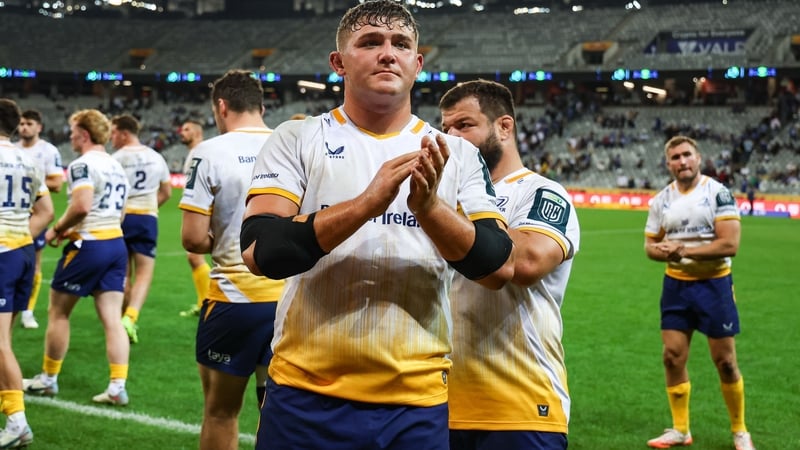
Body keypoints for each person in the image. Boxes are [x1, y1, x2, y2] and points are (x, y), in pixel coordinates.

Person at [241, 2, 515, 448]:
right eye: (370, 42)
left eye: (401, 44)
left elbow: (497, 266)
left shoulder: (455, 153)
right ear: (339, 62)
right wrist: (366, 204)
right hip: (305, 396)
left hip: (416, 402)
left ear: (417, 63)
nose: (388, 53)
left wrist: (430, 211)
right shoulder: (297, 138)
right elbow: (260, 251)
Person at [438, 80, 580, 450]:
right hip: (437, 403)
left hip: (519, 402)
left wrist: (443, 219)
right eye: (445, 128)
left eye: (464, 125)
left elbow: (527, 261)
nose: (452, 137)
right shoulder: (439, 198)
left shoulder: (540, 193)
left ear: (504, 126)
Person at [179, 69, 284, 450]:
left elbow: (192, 238)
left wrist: (223, 238)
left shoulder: (208, 151)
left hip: (235, 300)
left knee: (221, 412)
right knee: (275, 413)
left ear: (221, 106)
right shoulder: (291, 144)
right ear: (261, 105)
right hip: (289, 302)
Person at [644, 136, 755, 450]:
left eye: (687, 155)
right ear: (668, 164)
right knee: (672, 357)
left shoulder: (717, 193)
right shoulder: (660, 200)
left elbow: (729, 244)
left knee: (726, 362)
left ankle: (740, 430)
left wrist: (683, 250)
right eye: (675, 157)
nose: (682, 162)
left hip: (714, 285)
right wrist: (663, 252)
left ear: (698, 158)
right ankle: (681, 429)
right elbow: (649, 247)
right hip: (676, 286)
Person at [24, 109, 132, 407]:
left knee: (58, 312)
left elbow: (82, 205)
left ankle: (48, 379)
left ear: (84, 134)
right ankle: (117, 385)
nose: (69, 135)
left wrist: (56, 230)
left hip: (90, 245)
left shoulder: (82, 165)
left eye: (73, 131)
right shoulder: (115, 165)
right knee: (112, 319)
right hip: (115, 244)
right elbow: (122, 212)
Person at [0, 98, 53, 448]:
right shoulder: (29, 159)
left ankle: (17, 421)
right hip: (20, 251)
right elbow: (46, 210)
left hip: (3, 253)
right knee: (5, 338)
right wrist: (20, 236)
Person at [110, 114, 172, 344]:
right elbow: (166, 192)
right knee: (144, 273)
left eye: (114, 132)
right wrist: (150, 207)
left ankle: (120, 321)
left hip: (121, 218)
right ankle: (130, 318)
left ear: (125, 133)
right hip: (146, 217)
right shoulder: (156, 157)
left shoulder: (115, 158)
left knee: (123, 273)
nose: (111, 137)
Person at [14, 109, 64, 330]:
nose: (24, 127)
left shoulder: (48, 151)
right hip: (12, 213)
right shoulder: (11, 149)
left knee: (33, 265)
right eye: (22, 123)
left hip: (36, 214)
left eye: (29, 123)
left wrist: (31, 178)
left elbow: (57, 184)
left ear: (39, 127)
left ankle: (27, 310)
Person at [176, 119, 210, 317]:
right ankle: (203, 302)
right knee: (194, 257)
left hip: (204, 212)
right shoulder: (196, 152)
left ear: (197, 132)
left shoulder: (200, 152)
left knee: (195, 254)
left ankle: (206, 302)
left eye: (187, 129)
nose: (182, 132)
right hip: (204, 211)